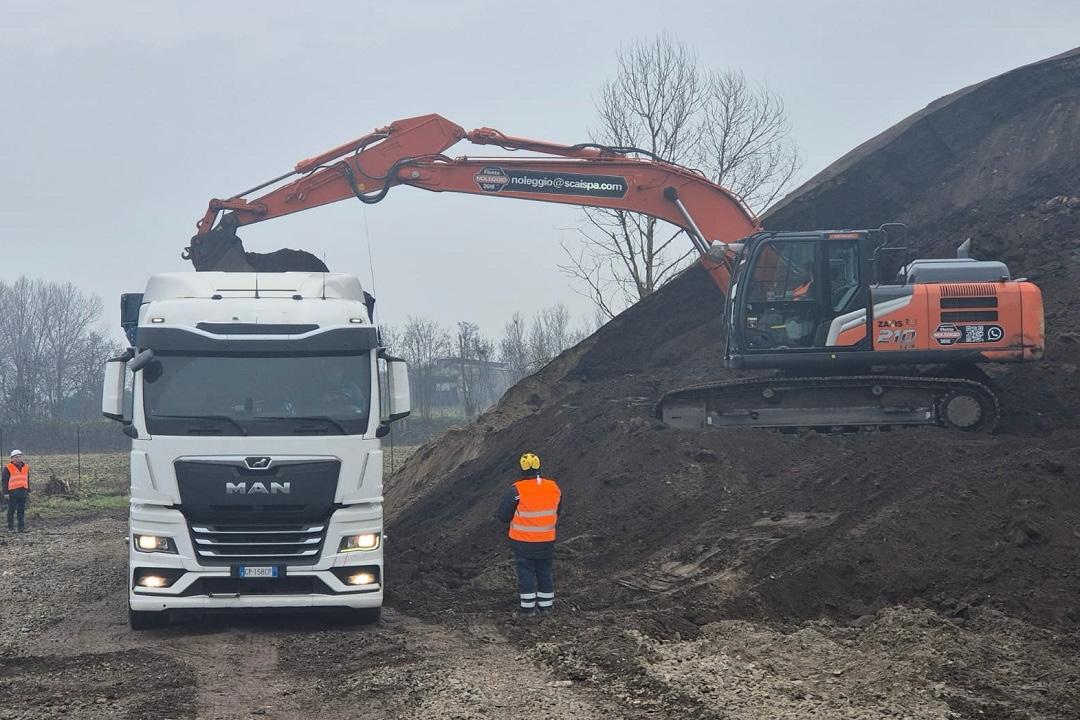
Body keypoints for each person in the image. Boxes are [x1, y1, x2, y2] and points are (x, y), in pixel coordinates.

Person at [497, 452, 562, 617]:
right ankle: (546, 607)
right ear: (540, 467)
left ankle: (527, 610)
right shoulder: (553, 487)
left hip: (523, 542)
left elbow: (503, 515)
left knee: (526, 573)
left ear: (521, 470)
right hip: (547, 540)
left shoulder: (517, 490)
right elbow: (557, 510)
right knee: (544, 572)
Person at [3, 450, 30, 533]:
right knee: (11, 510)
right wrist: (5, 493)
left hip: (23, 491)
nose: (18, 458)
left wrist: (28, 490)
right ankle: (10, 528)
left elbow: (27, 479)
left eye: (19, 456)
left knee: (21, 510)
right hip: (12, 492)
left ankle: (21, 528)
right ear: (12, 458)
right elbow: (4, 481)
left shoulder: (26, 467)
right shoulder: (7, 468)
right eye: (16, 457)